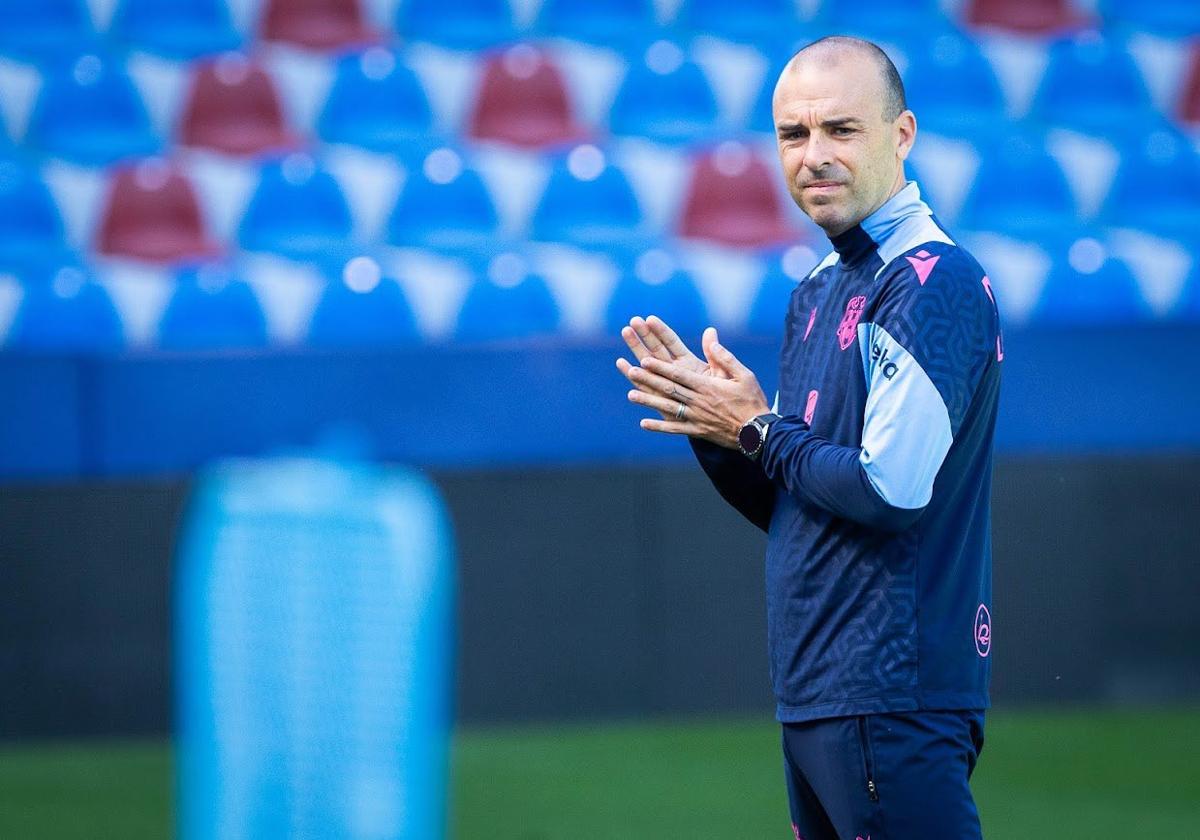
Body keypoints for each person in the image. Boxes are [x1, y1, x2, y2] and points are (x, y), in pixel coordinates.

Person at [616, 36, 1003, 840]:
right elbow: (807, 503)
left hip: (892, 692)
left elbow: (889, 491)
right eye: (794, 135)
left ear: (902, 136)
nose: (814, 155)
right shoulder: (820, 290)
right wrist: (718, 427)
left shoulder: (931, 282)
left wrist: (757, 428)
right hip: (822, 695)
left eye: (841, 130)